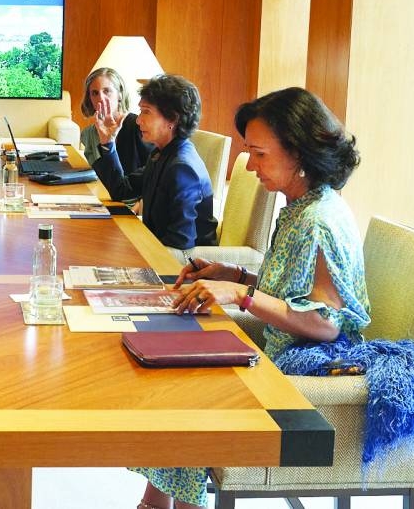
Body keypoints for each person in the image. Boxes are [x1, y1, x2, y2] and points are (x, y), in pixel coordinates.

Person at [132, 87, 371, 509]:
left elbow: (325, 323)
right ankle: (156, 504)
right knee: (179, 367)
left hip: (308, 373)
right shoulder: (301, 204)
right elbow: (290, 288)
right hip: (281, 349)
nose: (252, 166)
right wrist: (233, 274)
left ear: (298, 152)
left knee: (193, 391)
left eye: (259, 154)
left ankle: (161, 506)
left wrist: (241, 293)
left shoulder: (319, 220)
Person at [93, 73, 217, 250]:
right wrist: (108, 142)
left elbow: (180, 243)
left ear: (172, 119)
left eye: (146, 112)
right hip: (157, 247)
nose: (138, 120)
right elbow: (121, 190)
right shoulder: (163, 153)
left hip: (183, 266)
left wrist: (133, 246)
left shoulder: (182, 167)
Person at [79, 67, 153, 174]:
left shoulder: (138, 125)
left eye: (106, 91)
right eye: (95, 93)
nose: (101, 98)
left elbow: (151, 172)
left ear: (120, 94)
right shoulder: (88, 133)